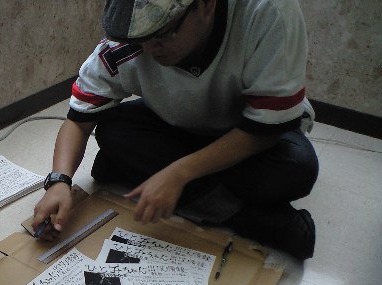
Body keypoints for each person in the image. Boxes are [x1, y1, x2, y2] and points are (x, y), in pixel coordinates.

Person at [32, 0, 319, 260]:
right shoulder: (128, 43)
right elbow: (79, 120)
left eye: (162, 34)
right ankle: (250, 218)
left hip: (250, 131)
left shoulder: (267, 11)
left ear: (206, 5)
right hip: (175, 125)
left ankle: (144, 171)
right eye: (139, 39)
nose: (149, 50)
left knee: (296, 168)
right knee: (112, 131)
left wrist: (179, 174)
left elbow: (265, 130)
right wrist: (59, 181)